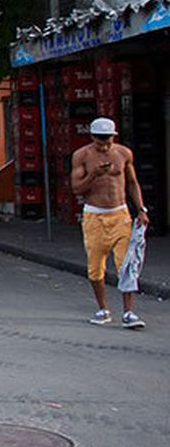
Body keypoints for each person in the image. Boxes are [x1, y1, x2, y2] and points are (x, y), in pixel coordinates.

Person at [70, 117, 149, 329]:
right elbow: (77, 188)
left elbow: (132, 182)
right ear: (92, 138)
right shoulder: (82, 156)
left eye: (108, 140)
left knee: (127, 264)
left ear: (114, 137)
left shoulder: (123, 153)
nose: (104, 145)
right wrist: (94, 175)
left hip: (120, 214)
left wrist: (141, 209)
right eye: (100, 140)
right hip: (94, 216)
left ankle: (129, 312)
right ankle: (103, 308)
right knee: (96, 267)